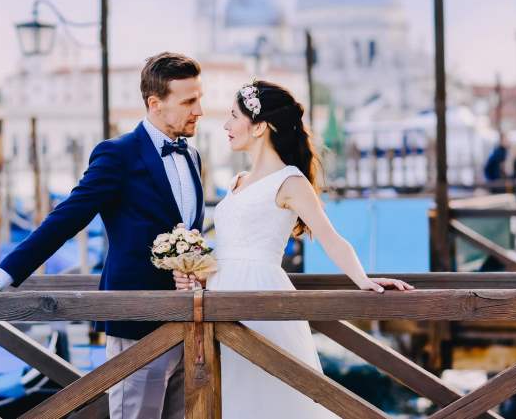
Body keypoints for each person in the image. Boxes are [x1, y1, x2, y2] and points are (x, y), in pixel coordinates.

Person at [0, 52, 205, 419]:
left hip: (188, 323)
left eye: (198, 99)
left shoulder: (191, 154)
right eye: (189, 101)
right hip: (135, 320)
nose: (200, 111)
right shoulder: (117, 154)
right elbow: (64, 220)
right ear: (155, 103)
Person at [173, 79, 413, 419]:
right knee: (227, 394)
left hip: (261, 295)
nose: (226, 126)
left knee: (269, 397)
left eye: (233, 116)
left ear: (259, 127)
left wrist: (365, 280)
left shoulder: (291, 182)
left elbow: (331, 238)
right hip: (218, 293)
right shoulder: (236, 181)